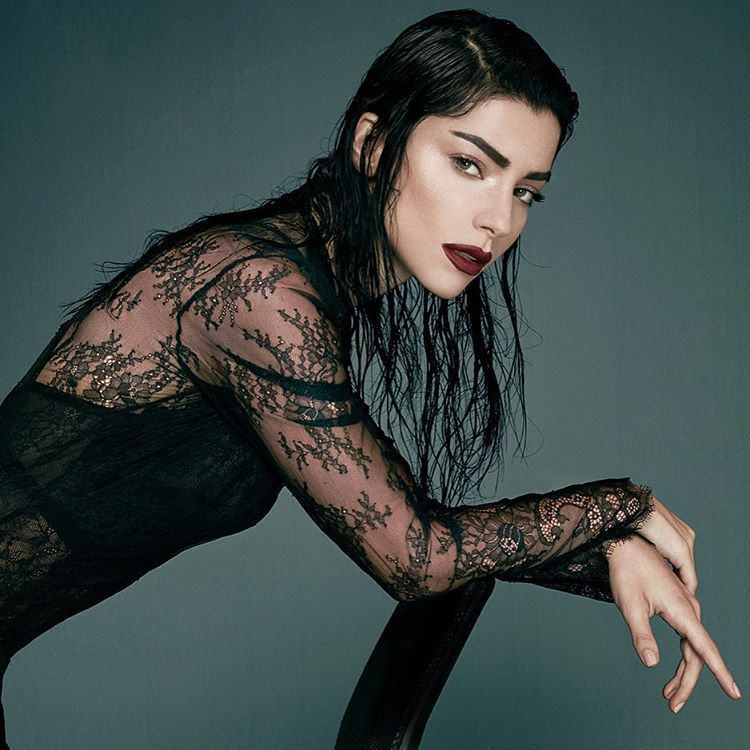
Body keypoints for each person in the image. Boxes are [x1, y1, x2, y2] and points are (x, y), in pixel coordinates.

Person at [0, 8, 740, 745]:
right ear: (373, 144)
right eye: (470, 165)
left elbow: (401, 521)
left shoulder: (314, 288)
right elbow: (416, 556)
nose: (498, 220)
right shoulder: (256, 292)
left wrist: (609, 548)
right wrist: (620, 505)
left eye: (526, 191)